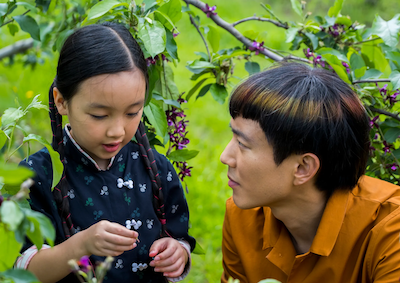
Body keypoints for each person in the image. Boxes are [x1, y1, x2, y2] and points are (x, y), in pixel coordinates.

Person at [16, 22, 195, 283]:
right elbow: (25, 272)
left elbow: (178, 235)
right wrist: (80, 246)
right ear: (61, 101)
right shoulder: (36, 176)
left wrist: (178, 252)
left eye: (133, 112)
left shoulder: (156, 168)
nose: (117, 131)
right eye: (100, 115)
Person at [220, 62, 400, 283]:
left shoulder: (391, 231)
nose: (225, 157)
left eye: (242, 144)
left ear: (303, 168)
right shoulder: (242, 219)